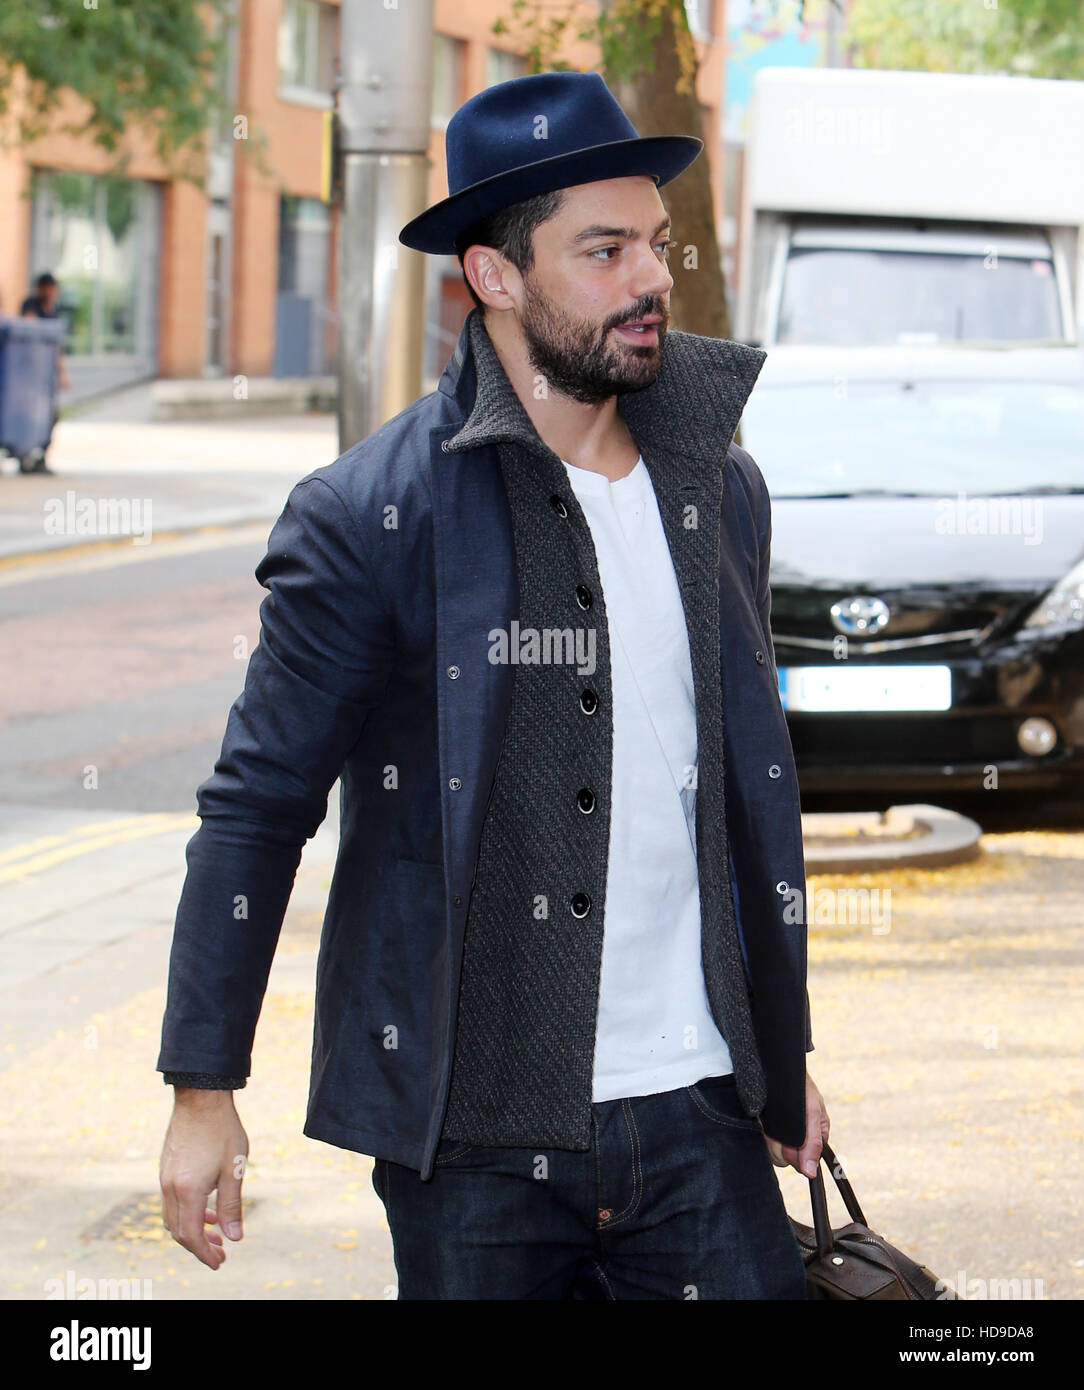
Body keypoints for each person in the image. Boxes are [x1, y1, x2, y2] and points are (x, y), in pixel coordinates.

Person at [157, 70, 829, 1300]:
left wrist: (775, 1048)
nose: (650, 280)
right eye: (605, 248)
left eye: (657, 243)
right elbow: (255, 811)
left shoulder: (717, 489)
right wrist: (205, 1090)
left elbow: (727, 795)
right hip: (473, 1146)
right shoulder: (371, 518)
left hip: (702, 1118)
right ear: (496, 275)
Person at [19, 271, 70, 473]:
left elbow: (57, 347)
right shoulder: (31, 304)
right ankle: (25, 456)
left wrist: (63, 374)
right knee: (27, 416)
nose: (53, 293)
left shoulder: (52, 311)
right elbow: (30, 328)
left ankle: (40, 457)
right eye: (50, 289)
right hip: (28, 376)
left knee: (50, 416)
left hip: (45, 377)